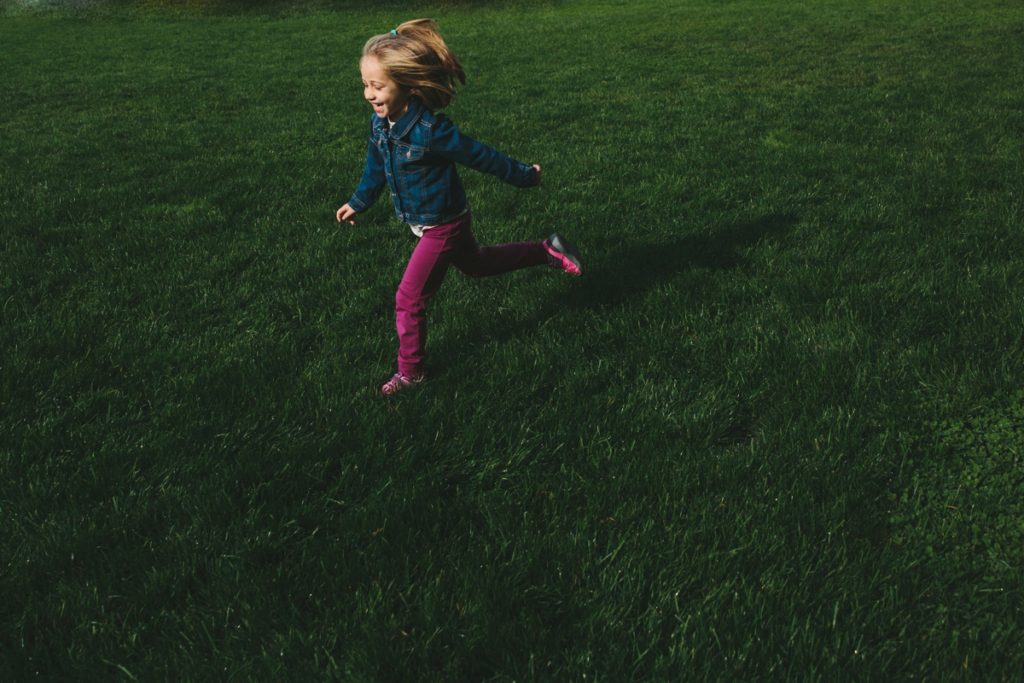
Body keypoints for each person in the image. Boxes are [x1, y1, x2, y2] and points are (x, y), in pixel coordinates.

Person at [336, 18, 583, 396]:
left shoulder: (431, 132)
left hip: (442, 224)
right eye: (365, 85)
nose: (369, 94)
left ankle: (411, 372)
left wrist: (524, 176)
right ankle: (546, 250)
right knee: (478, 265)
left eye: (377, 85)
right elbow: (376, 168)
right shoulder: (380, 125)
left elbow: (480, 155)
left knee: (408, 298)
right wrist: (358, 201)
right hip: (430, 220)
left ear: (407, 84)